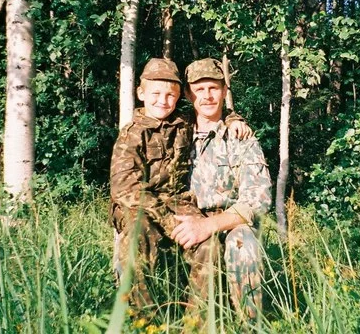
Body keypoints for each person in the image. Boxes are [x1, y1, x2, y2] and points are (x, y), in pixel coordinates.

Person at [109, 57, 250, 313]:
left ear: (178, 97)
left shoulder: (182, 122)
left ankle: (196, 322)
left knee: (209, 245)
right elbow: (124, 190)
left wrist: (234, 119)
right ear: (141, 93)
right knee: (136, 239)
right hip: (138, 207)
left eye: (170, 95)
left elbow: (214, 111)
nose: (163, 101)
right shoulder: (130, 135)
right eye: (156, 93)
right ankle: (144, 321)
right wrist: (168, 222)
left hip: (178, 203)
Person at [170, 58, 272, 321]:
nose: (207, 96)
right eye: (199, 89)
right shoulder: (175, 132)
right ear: (189, 93)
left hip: (230, 221)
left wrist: (208, 226)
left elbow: (258, 200)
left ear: (224, 91)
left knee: (243, 244)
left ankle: (250, 323)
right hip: (185, 215)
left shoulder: (240, 137)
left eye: (213, 88)